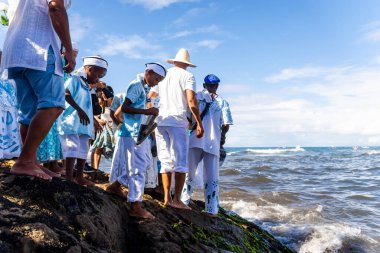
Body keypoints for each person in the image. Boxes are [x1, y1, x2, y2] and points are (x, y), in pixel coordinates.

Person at [1, 0, 75, 180]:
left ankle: (31, 160)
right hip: (40, 48)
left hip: (15, 50)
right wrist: (69, 49)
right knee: (53, 105)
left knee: (28, 111)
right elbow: (55, 7)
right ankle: (25, 161)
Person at [107, 62, 166, 219]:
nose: (156, 83)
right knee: (137, 167)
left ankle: (115, 185)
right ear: (149, 72)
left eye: (159, 81)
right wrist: (146, 111)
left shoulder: (144, 87)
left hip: (138, 132)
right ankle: (135, 206)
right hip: (132, 133)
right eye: (157, 79)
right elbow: (125, 108)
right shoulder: (136, 85)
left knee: (144, 163)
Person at [149, 48, 204, 209]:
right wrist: (199, 123)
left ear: (174, 61)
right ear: (187, 64)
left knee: (165, 160)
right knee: (180, 162)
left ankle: (166, 198)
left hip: (161, 121)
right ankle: (177, 200)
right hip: (178, 121)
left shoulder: (164, 75)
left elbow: (151, 96)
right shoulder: (188, 76)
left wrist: (152, 115)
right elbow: (192, 100)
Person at [181, 74, 233, 216]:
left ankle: (183, 200)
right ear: (217, 86)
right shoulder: (222, 102)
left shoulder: (196, 97)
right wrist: (222, 137)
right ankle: (211, 209)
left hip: (195, 139)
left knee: (189, 172)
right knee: (212, 176)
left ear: (204, 85)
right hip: (212, 142)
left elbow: (188, 117)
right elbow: (226, 124)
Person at [58, 55, 108, 186]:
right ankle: (69, 177)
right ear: (90, 69)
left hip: (84, 124)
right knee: (72, 147)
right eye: (98, 74)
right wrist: (78, 110)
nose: (98, 78)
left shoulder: (87, 86)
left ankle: (79, 176)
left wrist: (93, 120)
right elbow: (66, 93)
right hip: (72, 120)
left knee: (83, 149)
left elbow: (88, 105)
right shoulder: (74, 80)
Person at [37, 43, 80, 174]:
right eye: (74, 54)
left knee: (55, 134)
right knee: (50, 132)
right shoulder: (60, 61)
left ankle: (53, 163)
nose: (75, 57)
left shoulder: (66, 64)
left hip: (60, 101)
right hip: (54, 98)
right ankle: (49, 163)